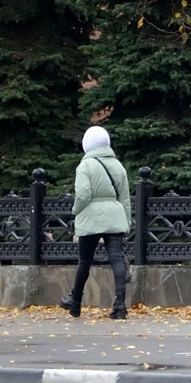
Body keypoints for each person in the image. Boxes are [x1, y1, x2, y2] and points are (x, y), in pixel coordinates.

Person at [58, 126, 132, 320]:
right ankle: (120, 305)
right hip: (115, 216)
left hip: (91, 218)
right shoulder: (118, 166)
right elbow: (125, 198)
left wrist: (75, 210)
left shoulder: (85, 166)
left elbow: (83, 194)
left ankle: (75, 303)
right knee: (116, 259)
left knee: (85, 261)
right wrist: (126, 221)